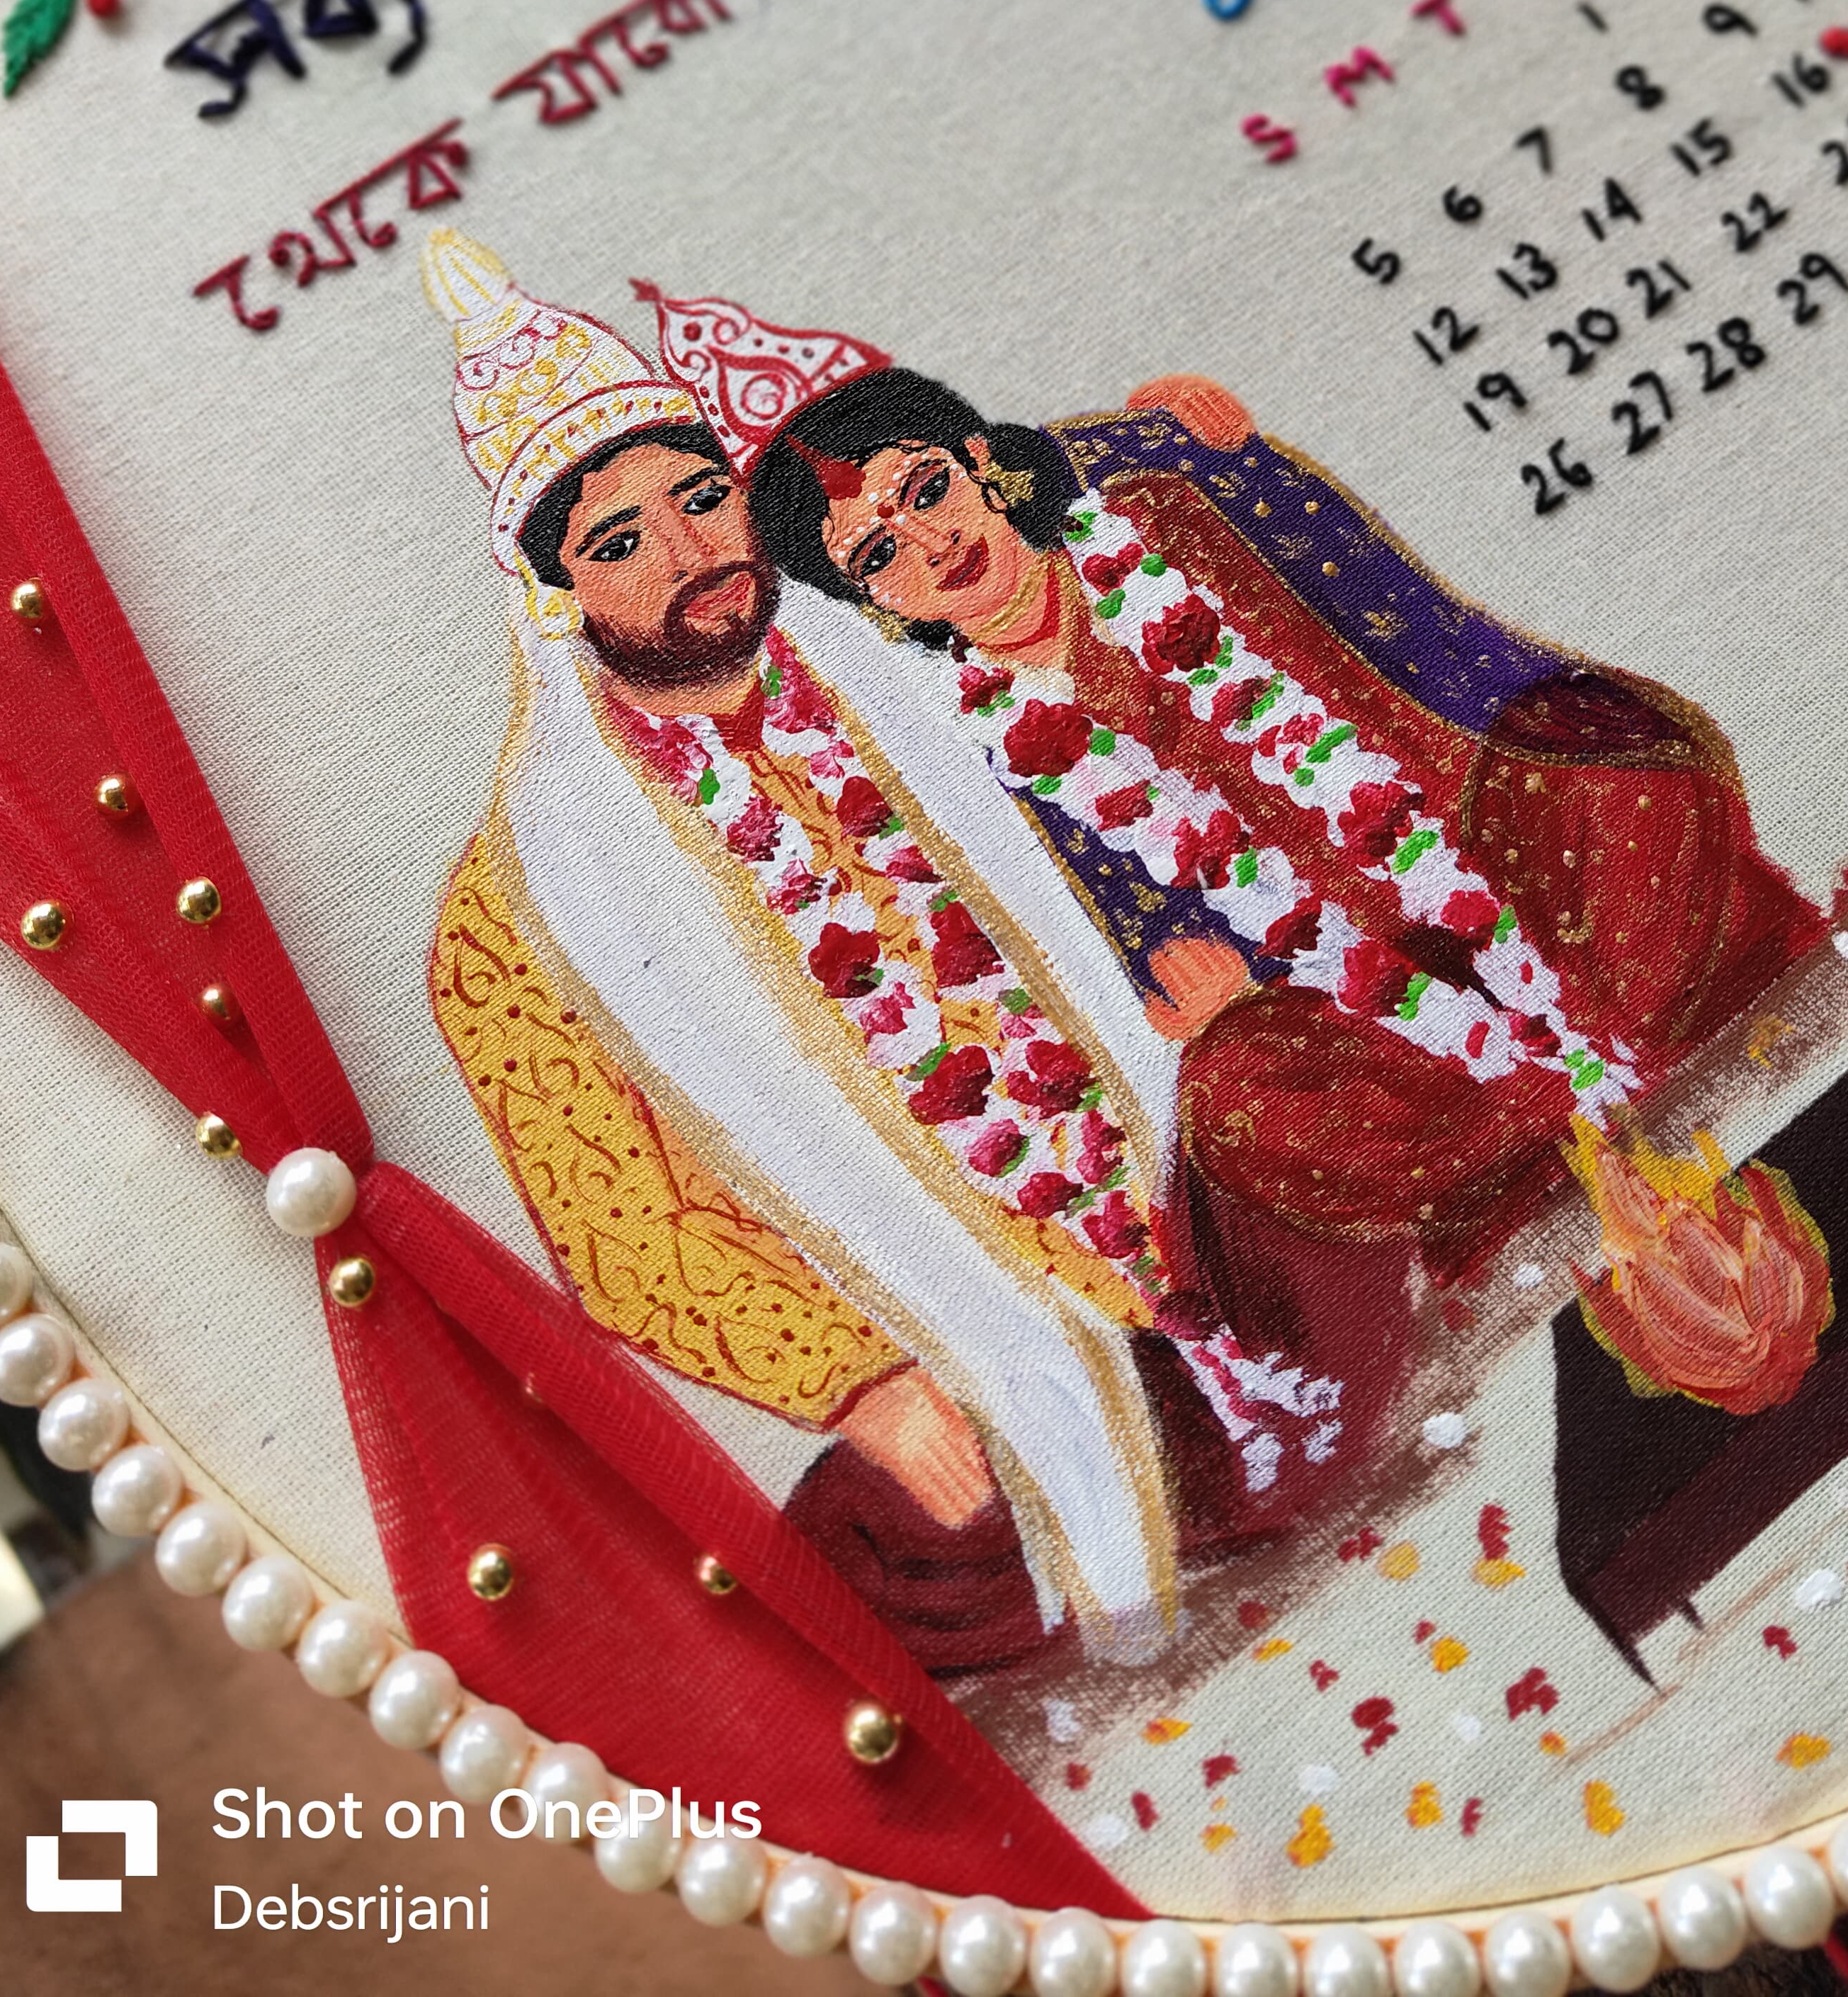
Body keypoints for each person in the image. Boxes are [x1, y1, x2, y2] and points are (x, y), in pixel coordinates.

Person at [419, 237, 1389, 1677]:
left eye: (702, 498)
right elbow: (624, 1236)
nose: (690, 555)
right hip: (944, 1330)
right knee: (872, 1566)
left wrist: (1178, 433)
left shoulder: (899, 637)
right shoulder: (521, 910)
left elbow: (1080, 592)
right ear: (554, 594)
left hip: (1165, 1167)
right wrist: (855, 1381)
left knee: (1340, 1161)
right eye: (620, 543)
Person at [735, 335, 1830, 1290]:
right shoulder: (975, 745)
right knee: (1241, 1105)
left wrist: (1188, 435)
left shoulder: (1156, 514)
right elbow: (1101, 931)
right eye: (877, 552)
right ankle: (1541, 1106)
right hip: (1340, 988)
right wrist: (1188, 989)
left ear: (980, 460)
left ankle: (1556, 1093)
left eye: (925, 489)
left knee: (1629, 799)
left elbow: (1370, 598)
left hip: (1467, 827)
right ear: (868, 600)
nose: (929, 544)